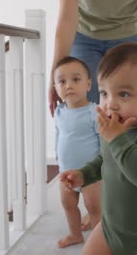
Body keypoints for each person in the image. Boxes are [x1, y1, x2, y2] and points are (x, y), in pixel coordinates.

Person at [60, 43, 137, 255]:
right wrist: (85, 174)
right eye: (104, 93)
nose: (110, 104)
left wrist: (117, 139)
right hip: (110, 228)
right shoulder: (112, 131)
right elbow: (105, 160)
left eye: (123, 94)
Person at [49, 0, 137, 117]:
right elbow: (67, 17)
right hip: (83, 34)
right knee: (83, 108)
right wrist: (54, 78)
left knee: (128, 108)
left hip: (127, 32)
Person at [53, 56, 102, 247]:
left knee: (94, 207)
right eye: (62, 82)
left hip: (90, 173)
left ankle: (100, 241)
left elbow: (103, 141)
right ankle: (75, 234)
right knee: (68, 204)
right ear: (55, 87)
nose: (69, 86)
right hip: (66, 170)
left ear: (88, 84)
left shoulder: (94, 111)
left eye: (76, 80)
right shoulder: (59, 112)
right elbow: (58, 135)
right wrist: (58, 158)